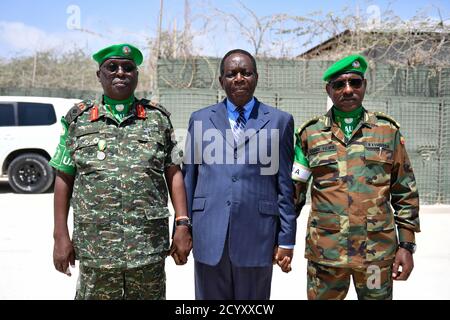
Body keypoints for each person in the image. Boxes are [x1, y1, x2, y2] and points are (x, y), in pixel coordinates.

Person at [49, 43, 192, 300]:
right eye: (111, 67)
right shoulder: (78, 121)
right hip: (97, 246)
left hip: (146, 246)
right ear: (99, 74)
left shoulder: (158, 119)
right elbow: (64, 177)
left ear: (136, 75)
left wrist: (182, 224)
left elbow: (174, 173)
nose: (120, 72)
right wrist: (61, 235)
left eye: (128, 68)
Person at [292, 54, 421, 300]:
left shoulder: (387, 131)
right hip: (326, 255)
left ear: (364, 85)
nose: (348, 89)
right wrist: (281, 240)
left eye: (355, 82)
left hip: (375, 255)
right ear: (328, 90)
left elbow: (404, 191)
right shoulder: (310, 134)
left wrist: (406, 245)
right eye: (339, 84)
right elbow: (293, 195)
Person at [182, 49, 297, 300]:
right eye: (231, 73)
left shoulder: (280, 121)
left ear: (256, 77)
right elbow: (189, 178)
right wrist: (182, 228)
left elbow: (285, 186)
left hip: (258, 235)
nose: (239, 78)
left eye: (246, 72)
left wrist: (286, 239)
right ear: (221, 80)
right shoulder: (200, 119)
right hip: (209, 233)